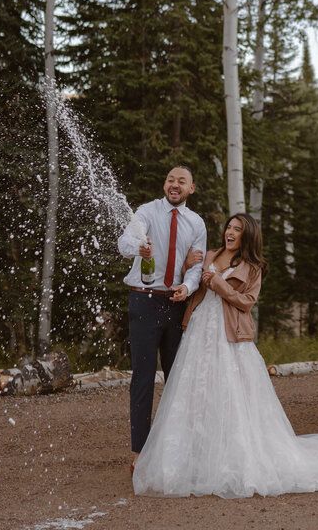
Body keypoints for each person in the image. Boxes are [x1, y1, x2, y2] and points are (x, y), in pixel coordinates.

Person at [132, 213, 318, 498]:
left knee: (232, 394)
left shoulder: (252, 267)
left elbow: (246, 302)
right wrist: (186, 266)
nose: (230, 232)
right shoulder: (208, 254)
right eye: (229, 227)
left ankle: (230, 456)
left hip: (230, 336)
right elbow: (188, 283)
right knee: (195, 392)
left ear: (248, 236)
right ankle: (190, 457)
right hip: (198, 332)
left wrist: (218, 283)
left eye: (237, 229)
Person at [116, 166, 206, 471]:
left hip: (177, 305)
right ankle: (140, 453)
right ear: (164, 184)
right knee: (142, 378)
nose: (175, 184)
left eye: (182, 181)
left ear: (191, 189)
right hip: (144, 301)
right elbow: (124, 243)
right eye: (170, 179)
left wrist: (188, 285)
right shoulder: (146, 212)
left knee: (177, 380)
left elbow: (197, 265)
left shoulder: (196, 223)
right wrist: (139, 248)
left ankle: (175, 449)